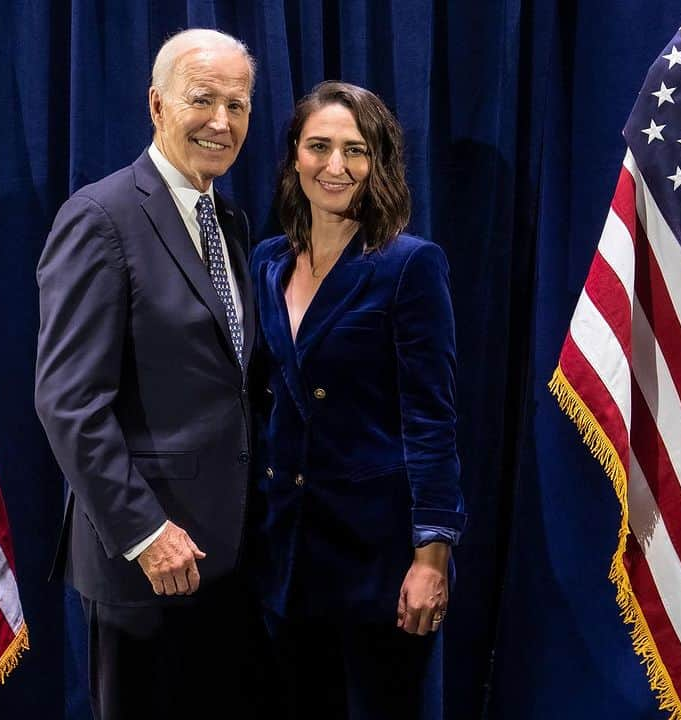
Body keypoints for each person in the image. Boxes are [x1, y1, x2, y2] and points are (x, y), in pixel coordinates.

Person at [35, 28, 264, 720]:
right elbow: (68, 401)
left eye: (239, 104)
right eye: (203, 100)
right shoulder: (101, 218)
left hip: (225, 555)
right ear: (157, 106)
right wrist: (144, 531)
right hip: (146, 562)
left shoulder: (228, 217)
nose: (222, 122)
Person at [249, 81, 467, 719]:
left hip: (377, 560)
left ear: (379, 162)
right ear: (295, 155)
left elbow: (432, 420)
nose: (335, 166)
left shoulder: (409, 264)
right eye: (319, 146)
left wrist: (432, 555)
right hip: (282, 556)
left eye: (355, 149)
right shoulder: (266, 262)